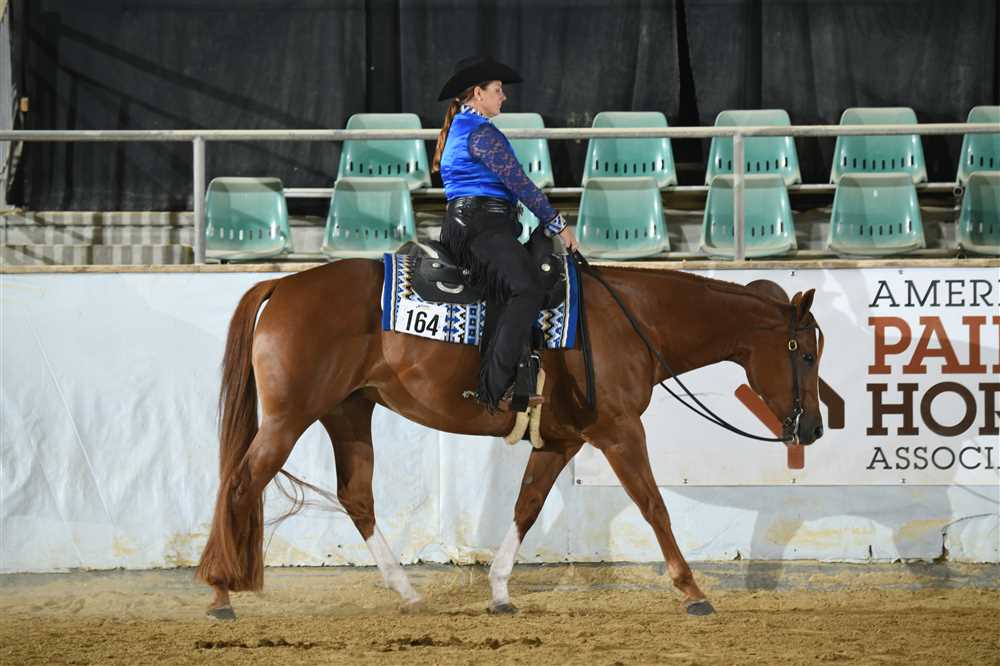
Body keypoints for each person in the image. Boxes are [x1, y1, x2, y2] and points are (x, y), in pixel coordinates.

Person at [432, 56, 579, 413]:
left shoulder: (465, 128)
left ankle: (506, 376)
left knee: (509, 287)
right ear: (478, 93)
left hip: (475, 223)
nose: (504, 97)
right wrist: (558, 225)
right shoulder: (481, 134)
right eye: (497, 90)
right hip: (481, 226)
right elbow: (520, 184)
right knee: (527, 288)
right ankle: (496, 388)